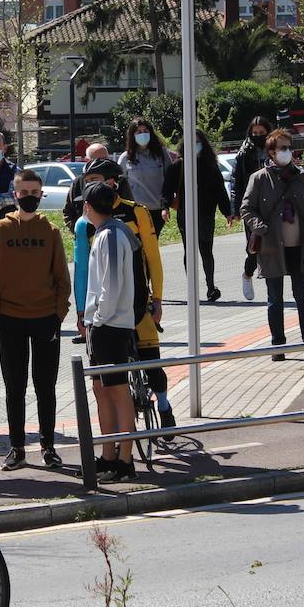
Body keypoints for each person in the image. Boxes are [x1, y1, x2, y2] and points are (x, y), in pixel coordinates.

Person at [0, 169, 71, 470]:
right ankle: (16, 448)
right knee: (14, 387)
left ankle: (48, 446)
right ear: (14, 194)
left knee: (46, 386)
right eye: (24, 192)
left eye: (35, 193)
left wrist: (59, 313)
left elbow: (62, 278)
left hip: (46, 319)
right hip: (10, 320)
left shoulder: (51, 231)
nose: (29, 197)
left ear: (41, 195)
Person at [72, 159, 174, 428]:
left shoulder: (136, 212)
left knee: (152, 363)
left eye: (96, 180)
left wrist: (158, 299)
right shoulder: (84, 223)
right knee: (111, 379)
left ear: (112, 182)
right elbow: (82, 271)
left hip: (139, 300)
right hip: (107, 312)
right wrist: (82, 311)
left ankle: (163, 404)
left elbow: (153, 258)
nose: (90, 185)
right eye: (87, 180)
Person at [241, 129, 304, 361]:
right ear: (271, 152)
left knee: (302, 297)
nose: (287, 152)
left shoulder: (300, 177)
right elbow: (246, 208)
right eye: (282, 148)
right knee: (275, 299)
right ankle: (278, 347)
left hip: (298, 246)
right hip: (272, 246)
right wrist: (261, 227)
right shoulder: (259, 178)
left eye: (289, 147)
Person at [81, 182, 141, 481]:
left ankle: (125, 459)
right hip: (104, 325)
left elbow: (112, 284)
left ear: (88, 207)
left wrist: (99, 318)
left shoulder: (112, 235)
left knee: (116, 390)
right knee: (101, 389)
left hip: (111, 325)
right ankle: (108, 454)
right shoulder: (109, 233)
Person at [161, 130, 233, 302]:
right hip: (184, 215)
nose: (195, 145)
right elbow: (166, 190)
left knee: (206, 251)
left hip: (206, 215)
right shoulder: (178, 166)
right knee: (189, 251)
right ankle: (192, 288)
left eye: (198, 141)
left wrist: (227, 212)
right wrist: (165, 208)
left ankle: (210, 287)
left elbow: (220, 191)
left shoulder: (210, 166)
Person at [232, 117, 272, 301]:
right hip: (251, 207)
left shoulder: (275, 149)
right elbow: (236, 182)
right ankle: (248, 274)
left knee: (272, 247)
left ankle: (273, 288)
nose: (257, 136)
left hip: (272, 205)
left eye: (261, 133)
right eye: (254, 133)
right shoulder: (243, 154)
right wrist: (235, 209)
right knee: (254, 248)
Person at [118, 117, 174, 236]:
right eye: (139, 132)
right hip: (136, 210)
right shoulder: (125, 158)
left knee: (151, 244)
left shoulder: (162, 154)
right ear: (132, 135)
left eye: (145, 131)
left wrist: (166, 206)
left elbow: (170, 180)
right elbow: (119, 184)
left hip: (157, 209)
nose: (142, 134)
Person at [61, 140, 119, 230]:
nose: (102, 164)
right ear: (87, 161)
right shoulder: (78, 183)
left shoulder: (118, 181)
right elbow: (68, 212)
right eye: (98, 160)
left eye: (105, 159)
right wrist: (79, 229)